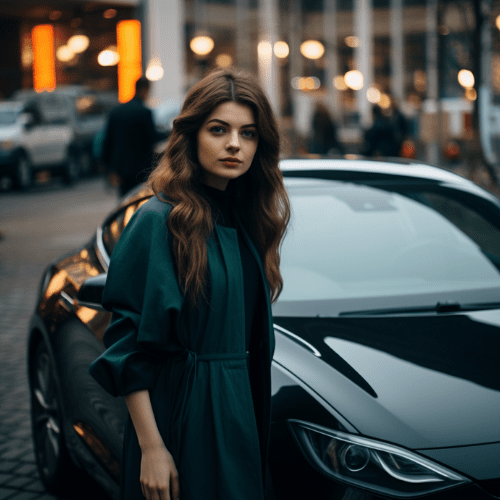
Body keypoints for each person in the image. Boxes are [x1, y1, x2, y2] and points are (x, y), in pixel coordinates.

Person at [89, 67, 291, 500]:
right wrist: (152, 448)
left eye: (248, 133)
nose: (235, 144)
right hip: (183, 418)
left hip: (242, 410)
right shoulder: (158, 221)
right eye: (219, 130)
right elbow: (127, 347)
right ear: (192, 134)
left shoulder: (247, 218)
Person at [101, 77, 165, 197]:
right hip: (141, 167)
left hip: (121, 167)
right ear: (145, 89)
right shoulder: (144, 112)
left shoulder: (116, 111)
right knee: (140, 199)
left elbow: (108, 141)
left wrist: (109, 168)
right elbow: (152, 138)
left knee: (125, 199)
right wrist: (169, 133)